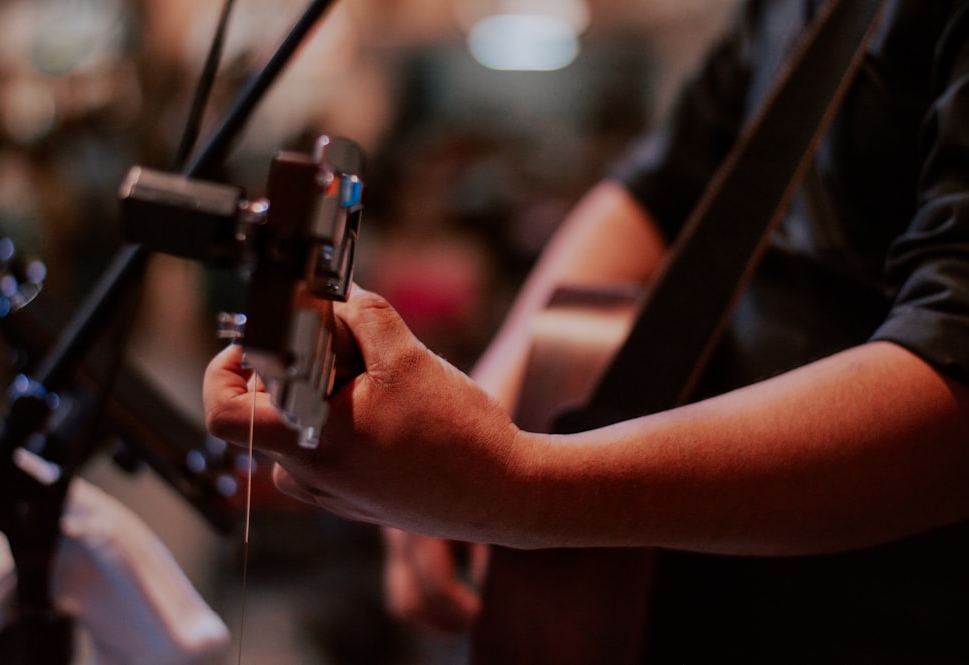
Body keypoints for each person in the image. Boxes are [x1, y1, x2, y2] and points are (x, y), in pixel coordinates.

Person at [203, 0, 969, 660]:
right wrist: (482, 413)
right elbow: (652, 192)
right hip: (666, 594)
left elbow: (954, 380)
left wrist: (518, 486)